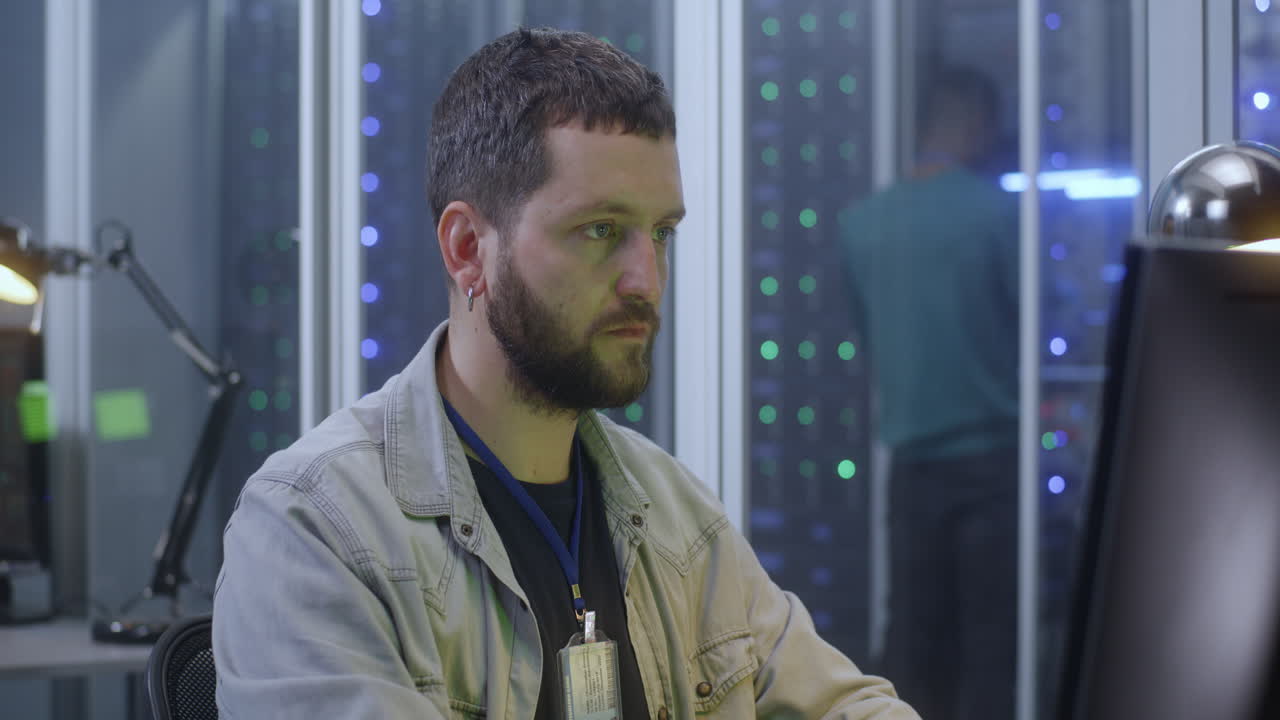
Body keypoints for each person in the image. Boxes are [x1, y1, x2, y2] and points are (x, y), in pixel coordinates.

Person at [213, 27, 919, 720]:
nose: (646, 279)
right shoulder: (316, 527)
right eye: (600, 231)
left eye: (662, 233)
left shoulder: (674, 514)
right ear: (467, 250)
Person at [840, 65, 1019, 720]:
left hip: (912, 469)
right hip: (994, 463)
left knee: (913, 642)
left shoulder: (861, 225)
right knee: (991, 642)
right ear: (975, 122)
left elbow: (869, 338)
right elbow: (1028, 329)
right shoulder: (998, 212)